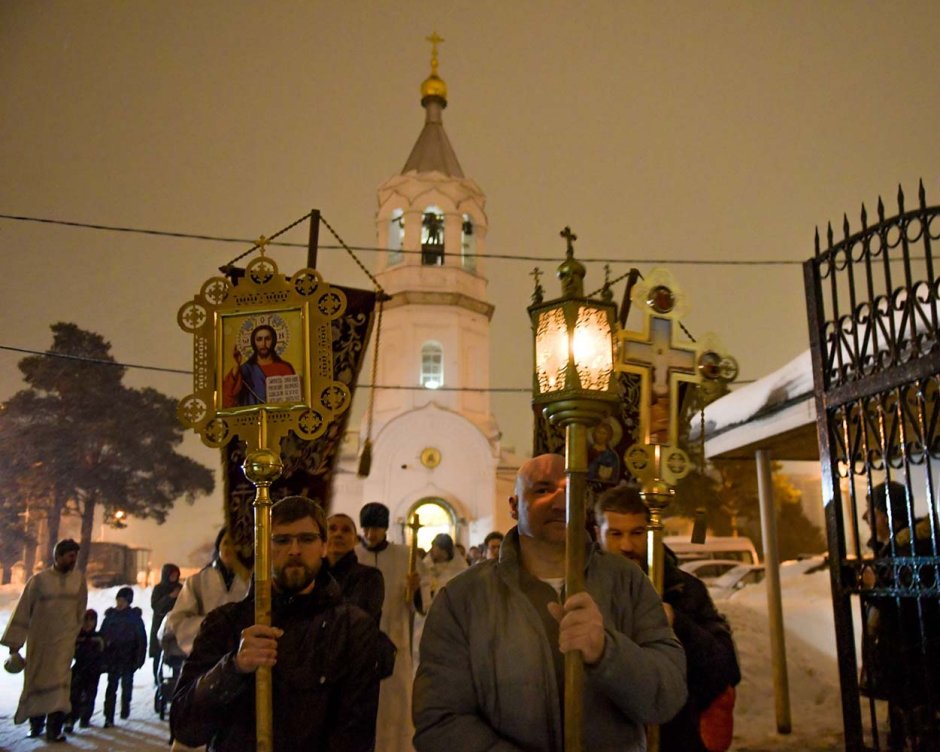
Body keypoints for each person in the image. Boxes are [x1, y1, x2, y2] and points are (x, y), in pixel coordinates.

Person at [413, 454, 687, 751]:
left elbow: (666, 696)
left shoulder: (627, 582)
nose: (560, 504)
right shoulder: (464, 598)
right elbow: (439, 720)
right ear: (514, 505)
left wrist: (606, 651)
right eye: (542, 490)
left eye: (572, 490)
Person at [171, 496, 381, 751]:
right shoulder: (226, 622)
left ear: (323, 547)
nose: (294, 550)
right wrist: (233, 668)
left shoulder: (352, 629)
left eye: (306, 539)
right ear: (263, 548)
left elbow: (355, 735)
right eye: (281, 540)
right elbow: (185, 726)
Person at [595, 485, 740, 752]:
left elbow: (724, 669)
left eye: (637, 533)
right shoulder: (585, 591)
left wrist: (678, 623)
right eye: (615, 534)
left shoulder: (684, 590)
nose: (627, 545)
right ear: (599, 535)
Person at [860, 480, 940, 750]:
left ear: (884, 514)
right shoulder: (896, 547)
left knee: (916, 735)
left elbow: (910, 608)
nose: (866, 517)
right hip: (904, 668)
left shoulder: (910, 548)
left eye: (870, 511)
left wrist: (875, 587)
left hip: (914, 667)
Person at [0, 538, 87, 742]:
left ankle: (54, 729)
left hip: (64, 646)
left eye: (75, 556)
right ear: (58, 557)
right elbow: (23, 611)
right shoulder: (39, 581)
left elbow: (80, 610)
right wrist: (15, 645)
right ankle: (36, 724)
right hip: (41, 644)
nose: (73, 560)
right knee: (36, 684)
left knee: (59, 689)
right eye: (70, 556)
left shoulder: (78, 580)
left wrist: (75, 634)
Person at [355, 501, 419, 752]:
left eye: (377, 529)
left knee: (396, 700)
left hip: (395, 636)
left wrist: (415, 591)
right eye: (367, 529)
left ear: (385, 529)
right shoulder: (355, 557)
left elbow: (419, 602)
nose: (371, 535)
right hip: (360, 642)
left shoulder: (405, 556)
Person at [163, 528, 251, 658]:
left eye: (235, 543)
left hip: (243, 655)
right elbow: (179, 619)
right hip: (206, 655)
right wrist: (210, 625)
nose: (229, 548)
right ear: (218, 546)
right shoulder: (197, 581)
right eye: (226, 542)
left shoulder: (251, 581)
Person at [413, 533, 467, 667]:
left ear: (444, 551)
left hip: (449, 621)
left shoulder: (460, 571)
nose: (432, 550)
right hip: (423, 621)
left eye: (435, 547)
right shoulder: (424, 567)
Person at [99, 586, 147, 727]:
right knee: (111, 687)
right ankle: (108, 716)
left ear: (128, 602)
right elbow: (102, 636)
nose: (120, 603)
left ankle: (125, 705)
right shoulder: (110, 617)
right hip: (113, 658)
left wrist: (139, 659)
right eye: (118, 600)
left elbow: (141, 640)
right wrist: (103, 656)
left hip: (128, 658)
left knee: (126, 685)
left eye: (123, 600)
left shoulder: (134, 618)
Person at [325, 513, 385, 625]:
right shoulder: (311, 575)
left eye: (346, 530)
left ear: (355, 540)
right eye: (332, 529)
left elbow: (357, 618)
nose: (338, 534)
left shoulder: (369, 577)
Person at [222, 324, 296, 407]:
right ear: (254, 342)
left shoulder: (285, 368)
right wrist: (236, 366)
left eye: (267, 339)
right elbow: (226, 400)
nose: (263, 344)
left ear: (274, 341)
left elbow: (293, 401)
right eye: (259, 339)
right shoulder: (245, 370)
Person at [65, 609, 105, 732]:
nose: (88, 623)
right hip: (78, 669)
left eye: (91, 621)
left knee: (89, 695)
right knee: (74, 695)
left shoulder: (98, 637)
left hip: (93, 671)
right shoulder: (77, 636)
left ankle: (85, 718)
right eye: (85, 620)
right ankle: (70, 719)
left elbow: (104, 653)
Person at [151, 563, 182, 684]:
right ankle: (157, 678)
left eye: (176, 575)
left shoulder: (180, 588)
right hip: (160, 624)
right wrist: (170, 597)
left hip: (176, 625)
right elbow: (156, 606)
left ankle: (176, 678)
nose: (174, 577)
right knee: (158, 653)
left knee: (176, 652)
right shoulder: (159, 589)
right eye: (172, 574)